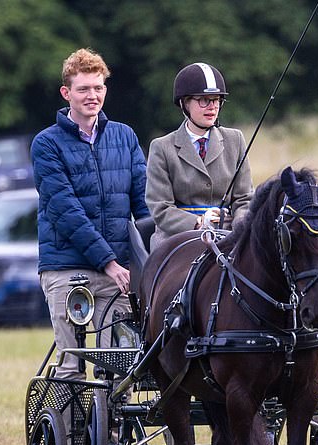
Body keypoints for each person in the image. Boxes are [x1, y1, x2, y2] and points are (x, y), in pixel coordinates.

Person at [31, 47, 150, 380]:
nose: (92, 95)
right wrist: (109, 262)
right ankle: (73, 434)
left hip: (119, 274)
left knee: (122, 363)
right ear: (66, 93)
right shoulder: (47, 144)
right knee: (72, 367)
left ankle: (114, 433)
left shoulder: (124, 137)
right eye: (83, 89)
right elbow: (65, 211)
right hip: (67, 267)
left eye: (98, 88)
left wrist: (154, 258)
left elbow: (143, 206)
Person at [145, 62, 253, 249]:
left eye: (217, 100)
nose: (212, 106)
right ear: (184, 103)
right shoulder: (162, 147)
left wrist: (239, 229)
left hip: (227, 235)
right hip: (177, 239)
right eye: (204, 100)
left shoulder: (235, 140)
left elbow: (244, 199)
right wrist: (199, 221)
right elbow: (160, 208)